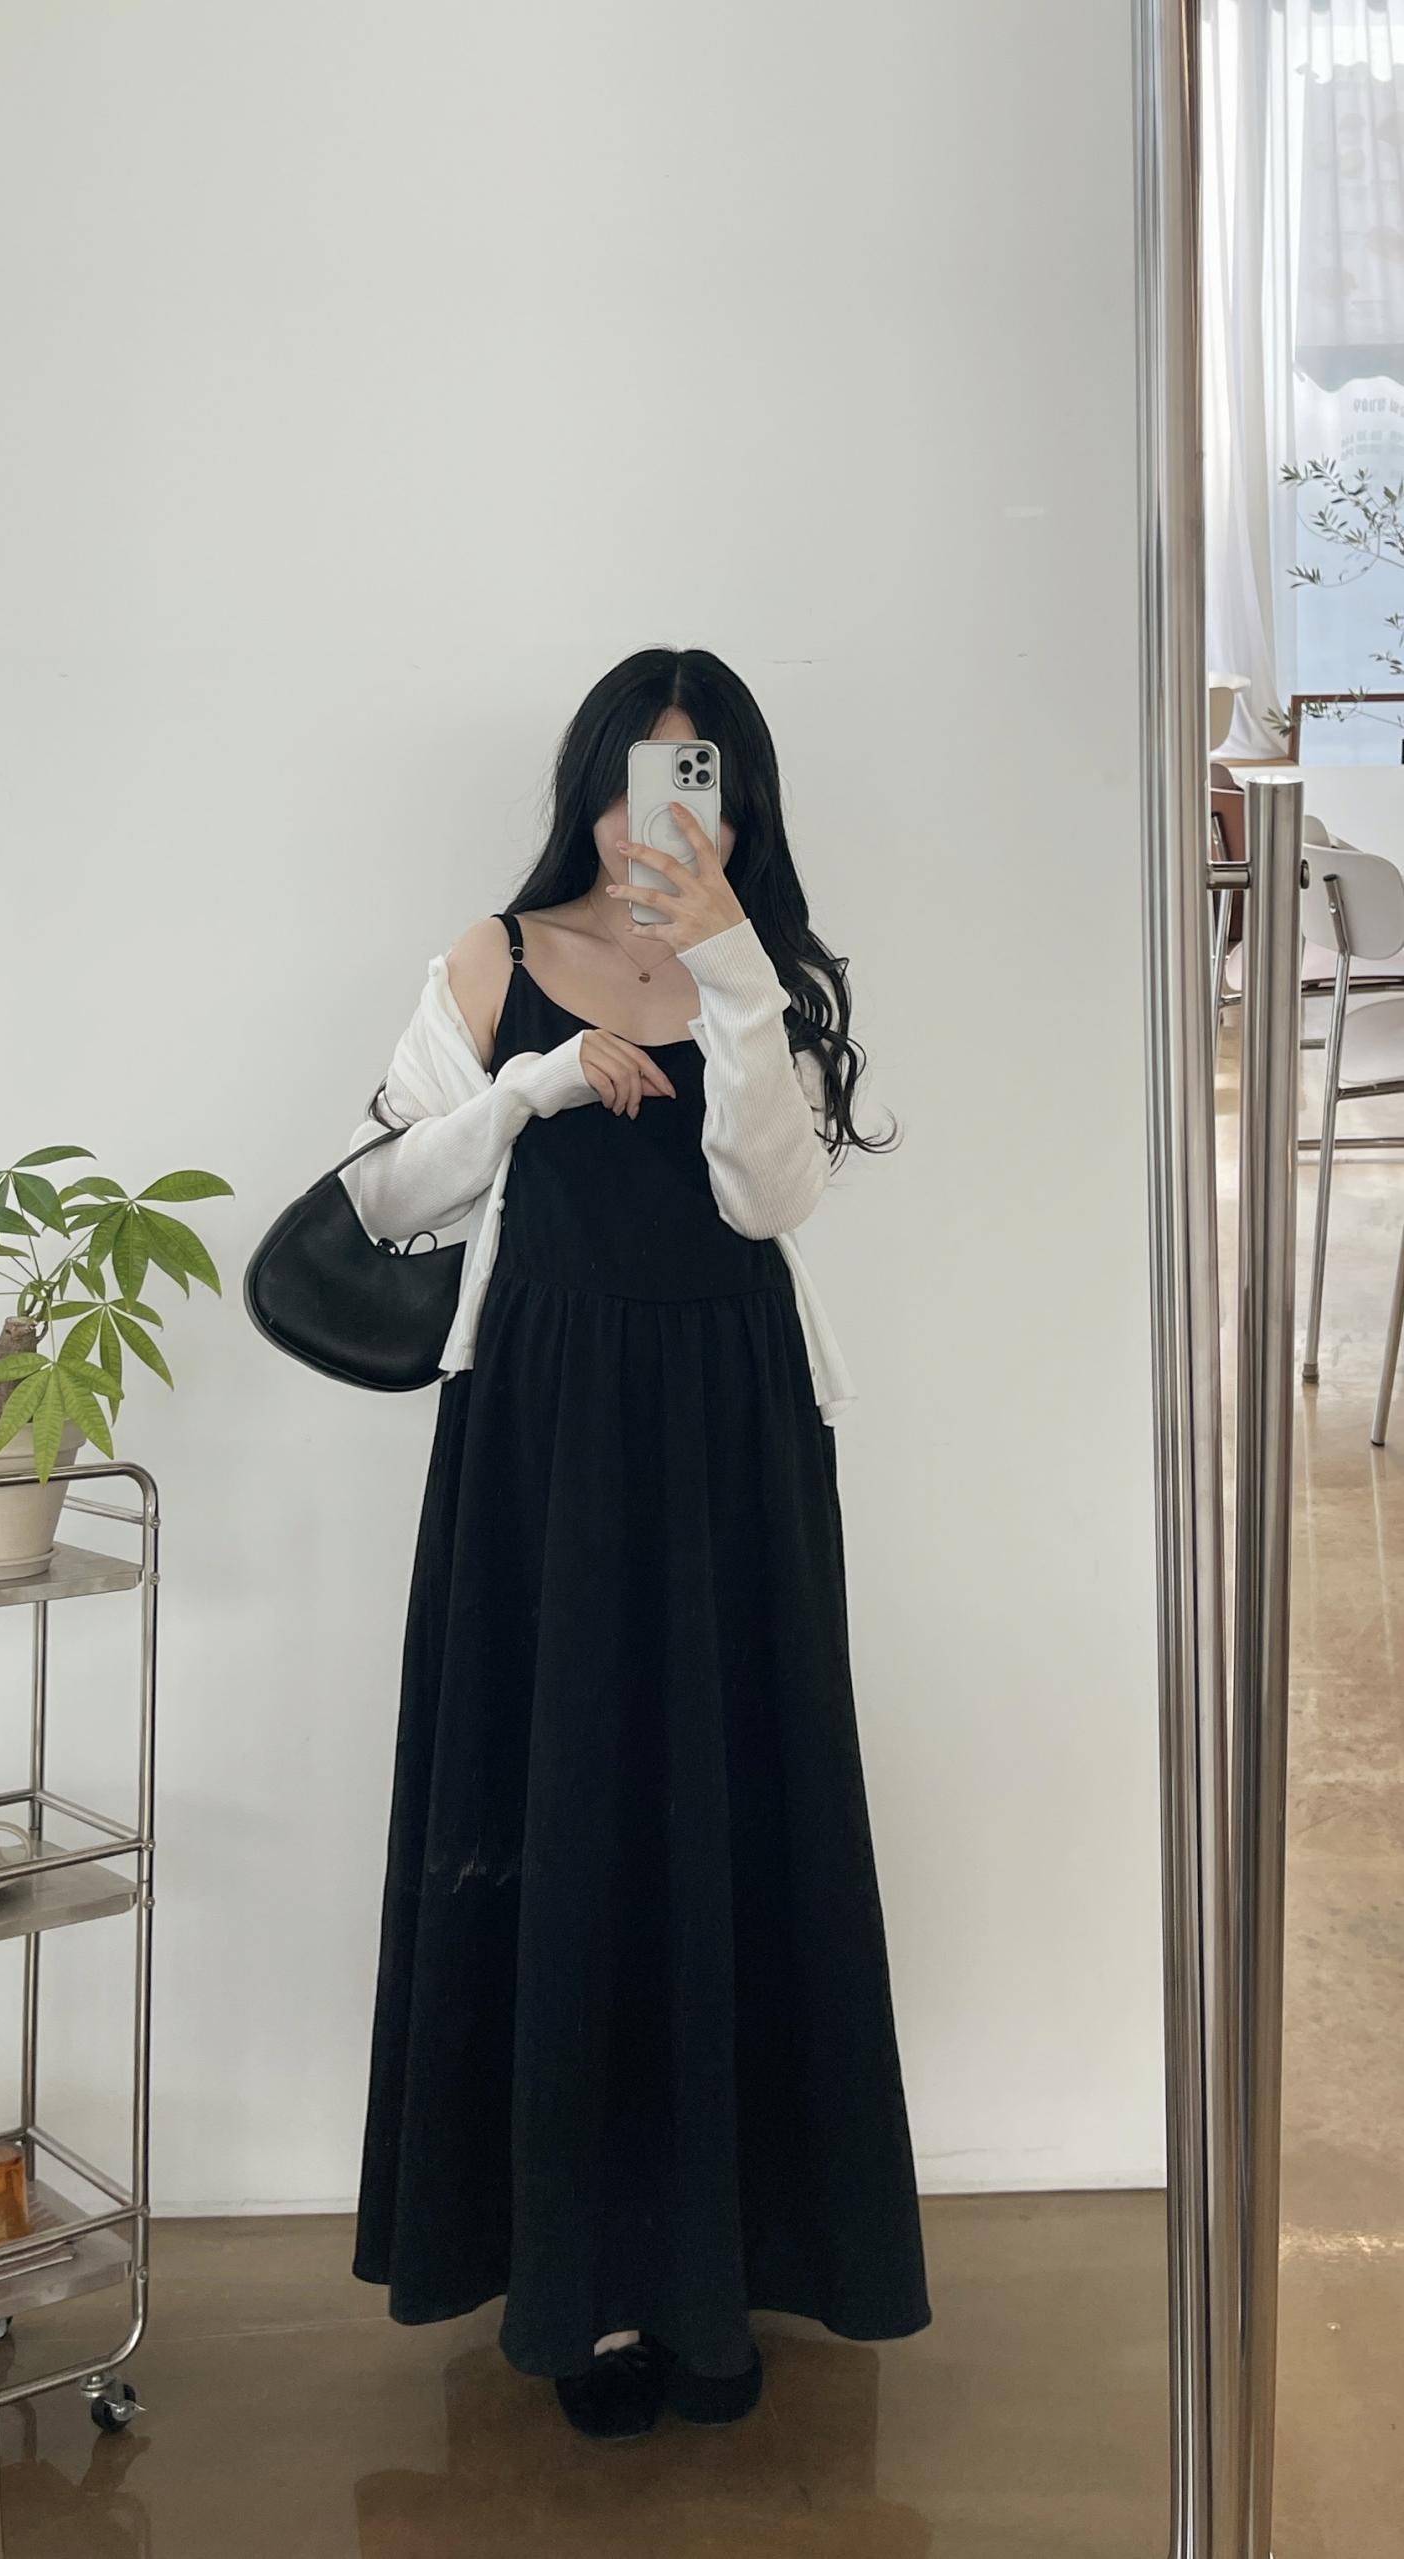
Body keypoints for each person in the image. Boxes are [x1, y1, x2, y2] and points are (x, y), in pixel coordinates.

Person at [344, 647, 930, 2441]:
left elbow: (768, 1194)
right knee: (565, 1818)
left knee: (738, 1819)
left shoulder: (771, 968)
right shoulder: (491, 958)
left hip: (734, 1431)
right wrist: (530, 1087)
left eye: (691, 780)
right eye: (626, 778)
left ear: (736, 800)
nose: (646, 819)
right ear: (584, 785)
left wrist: (731, 956)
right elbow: (387, 1195)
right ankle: (585, 2294)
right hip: (546, 1434)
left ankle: (716, 2280)